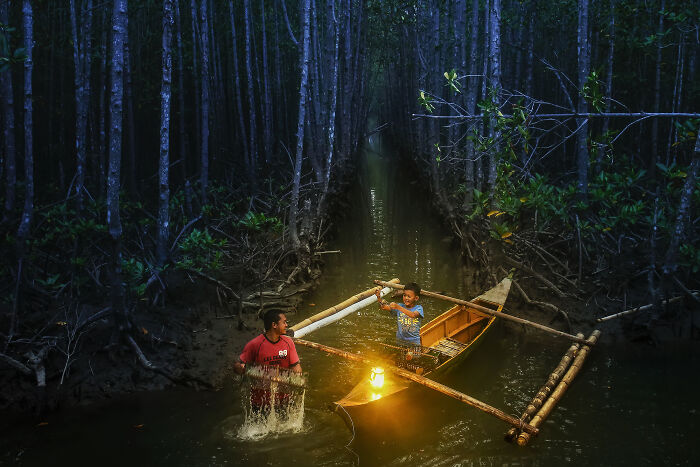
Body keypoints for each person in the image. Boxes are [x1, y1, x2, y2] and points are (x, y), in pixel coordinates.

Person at [233, 309, 302, 412]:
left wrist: (298, 379)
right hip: (260, 401)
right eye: (284, 322)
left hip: (284, 398)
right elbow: (237, 366)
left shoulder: (288, 342)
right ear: (274, 325)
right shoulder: (255, 345)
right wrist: (242, 369)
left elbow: (295, 366)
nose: (286, 325)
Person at [375, 282, 424, 347]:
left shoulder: (419, 308)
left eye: (409, 296)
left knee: (414, 357)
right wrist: (378, 297)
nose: (406, 298)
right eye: (404, 295)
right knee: (399, 356)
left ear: (416, 298)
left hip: (414, 342)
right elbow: (383, 307)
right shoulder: (400, 306)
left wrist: (398, 307)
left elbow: (413, 315)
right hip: (400, 341)